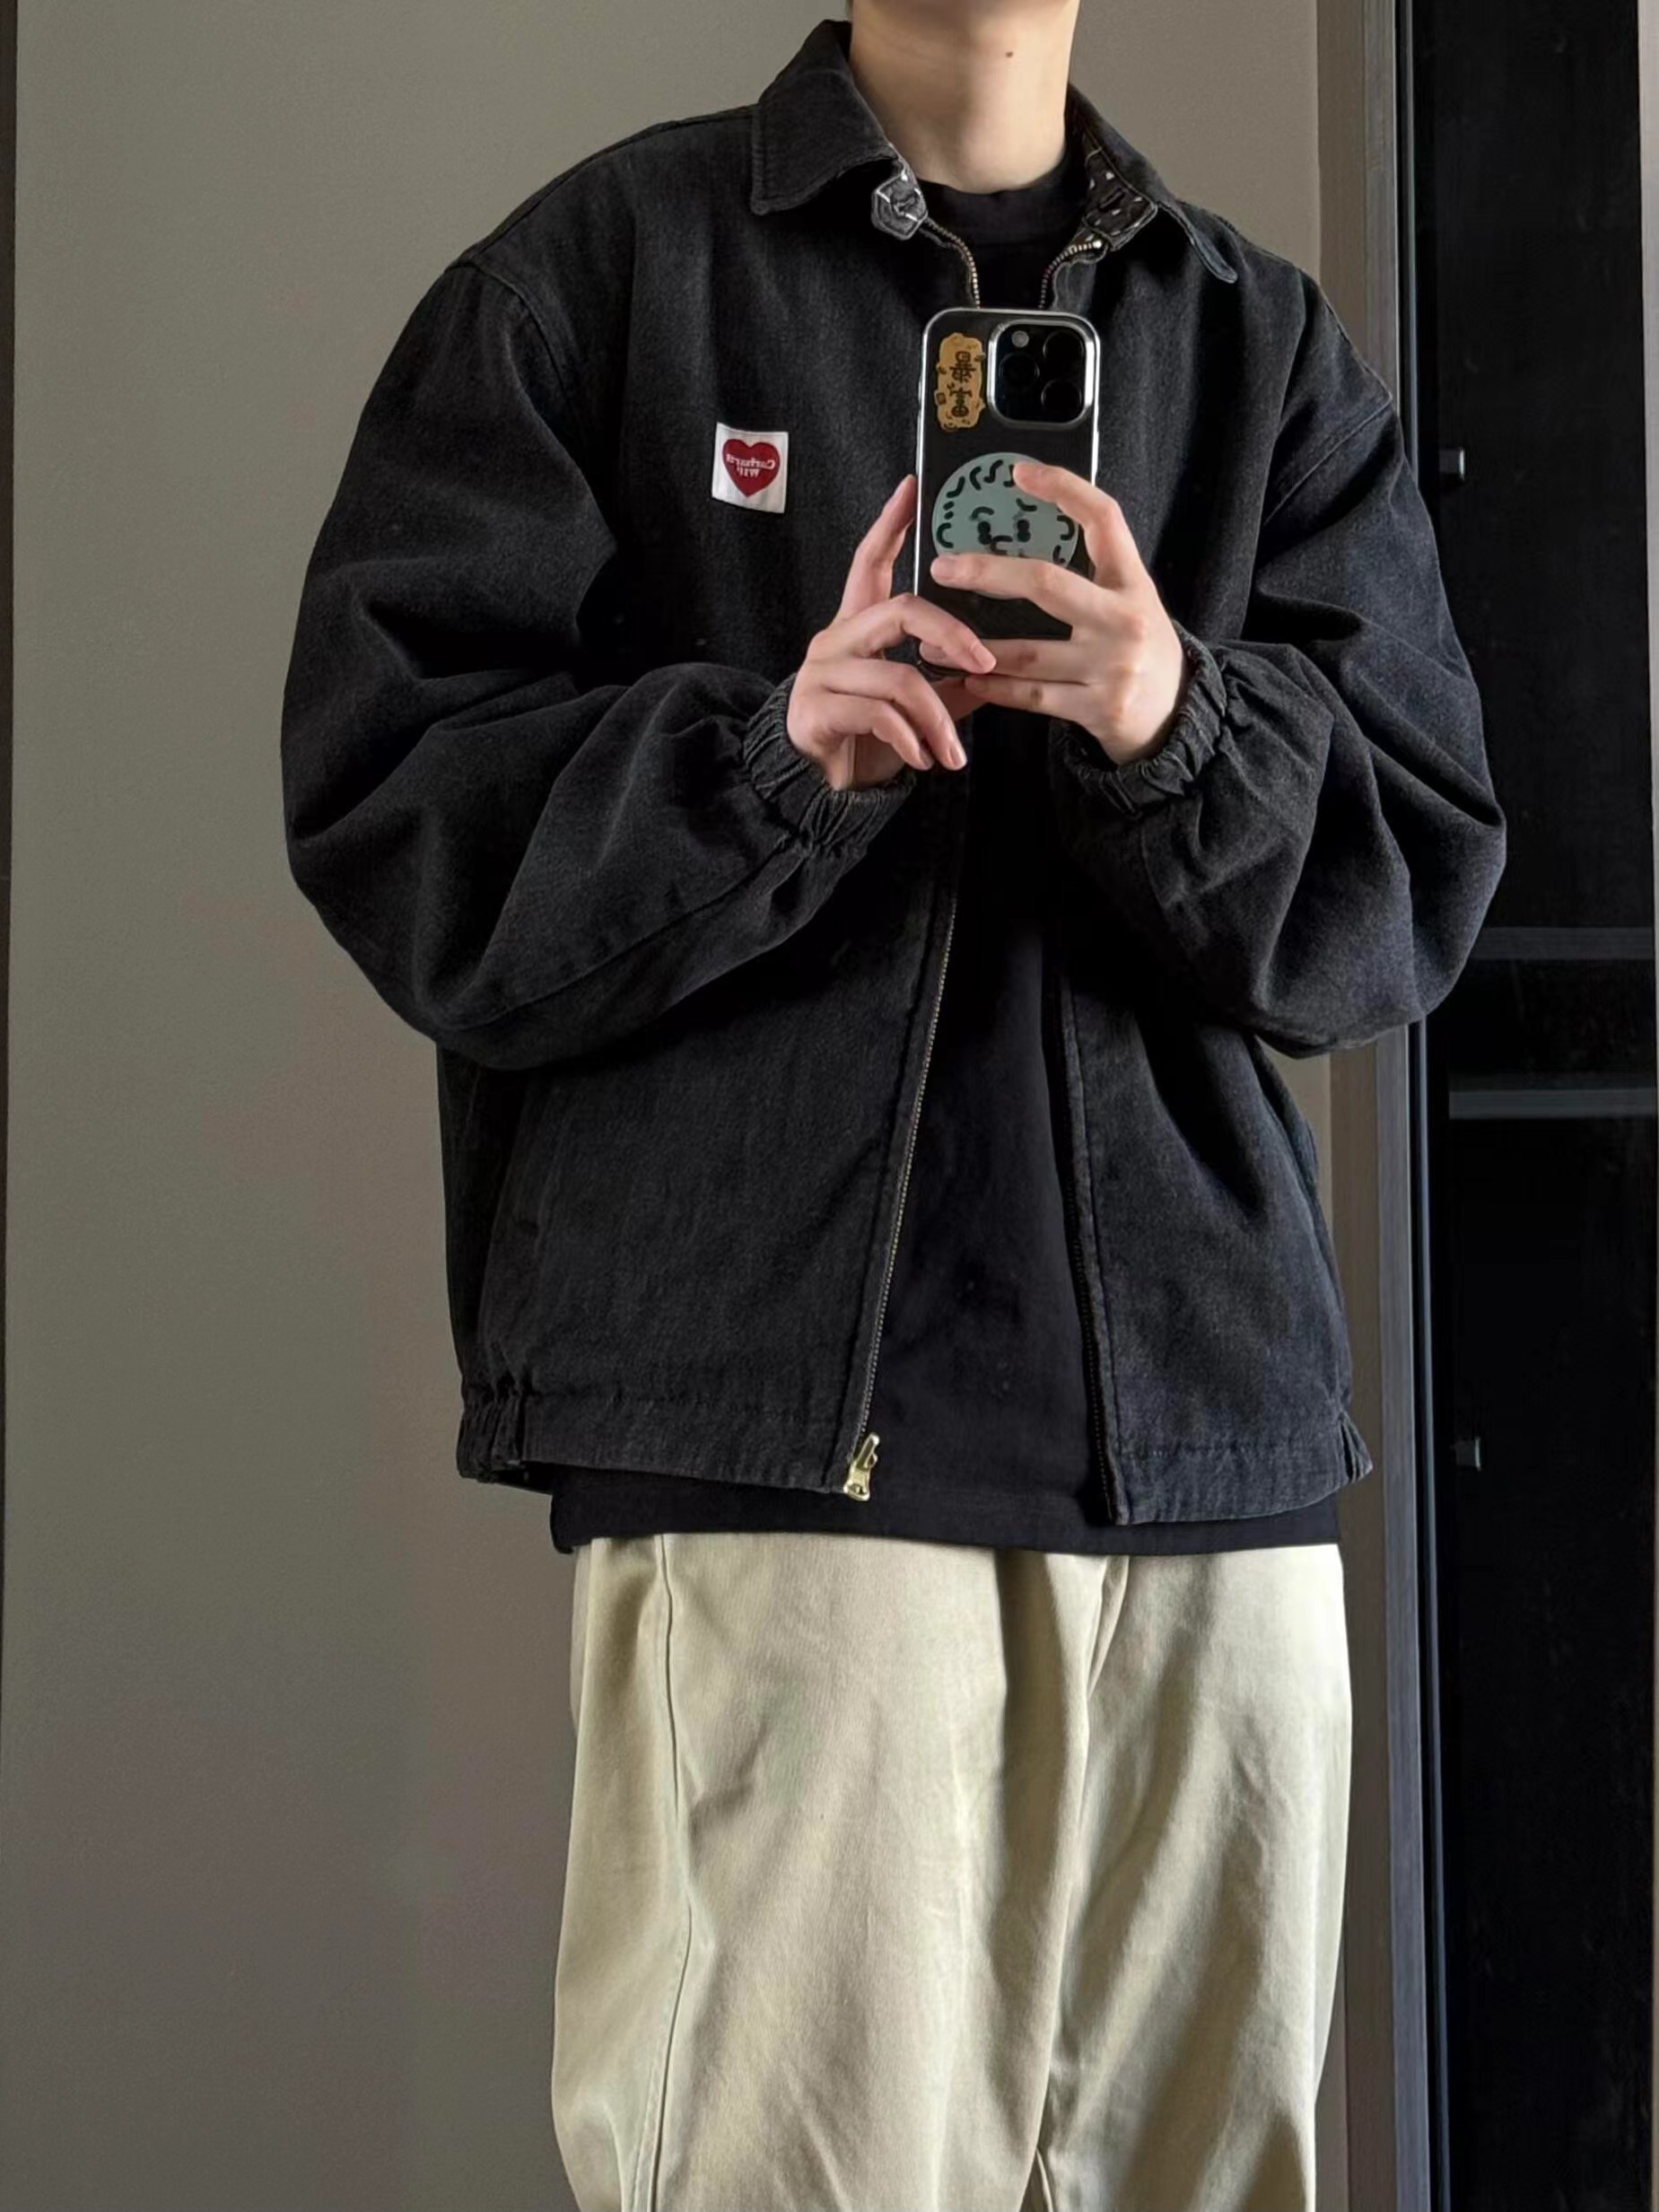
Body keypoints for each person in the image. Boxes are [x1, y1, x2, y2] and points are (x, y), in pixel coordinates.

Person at [280, 4, 1506, 2205]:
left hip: (1205, 1464)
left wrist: (1177, 718)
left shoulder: (1258, 347)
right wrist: (771, 758)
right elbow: (403, 816)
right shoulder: (604, 276)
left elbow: (1401, 896)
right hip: (784, 1451)